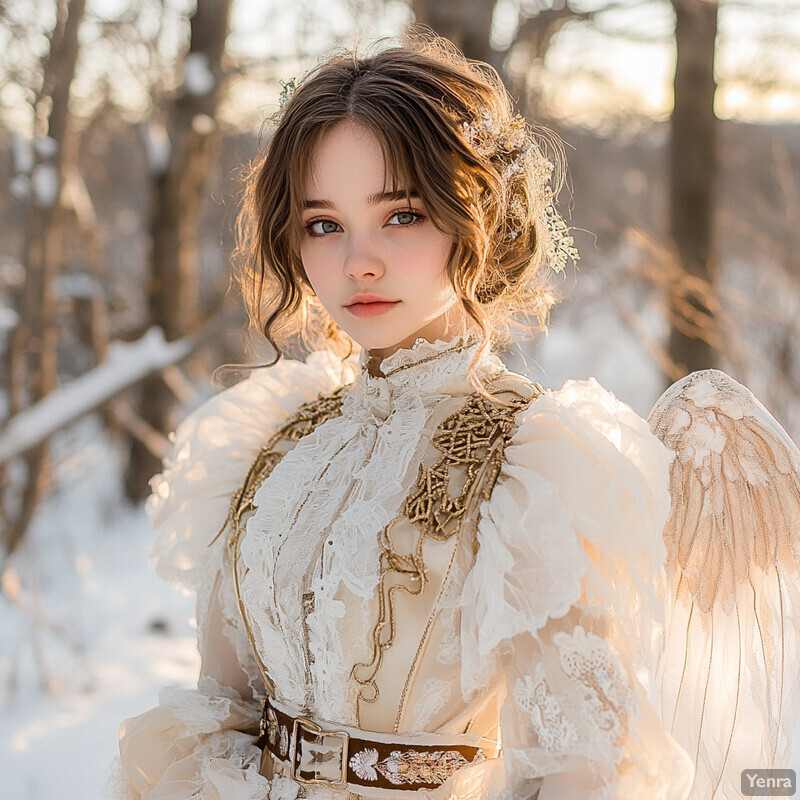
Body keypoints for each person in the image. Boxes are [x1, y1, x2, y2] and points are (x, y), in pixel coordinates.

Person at [110, 29, 799, 800]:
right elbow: (222, 702)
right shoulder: (276, 438)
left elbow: (582, 767)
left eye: (400, 215)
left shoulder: (536, 462)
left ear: (476, 215)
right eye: (323, 224)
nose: (357, 261)